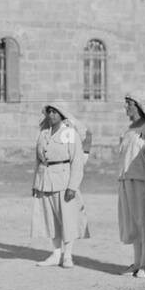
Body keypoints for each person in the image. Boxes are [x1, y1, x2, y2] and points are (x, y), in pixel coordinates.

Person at [31, 101, 90, 268]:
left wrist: (72, 186)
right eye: (49, 112)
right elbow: (37, 159)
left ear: (62, 114)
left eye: (55, 112)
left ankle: (68, 255)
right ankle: (56, 253)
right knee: (50, 219)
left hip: (63, 179)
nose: (51, 115)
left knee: (67, 218)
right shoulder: (43, 133)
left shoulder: (69, 133)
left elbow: (77, 160)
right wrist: (36, 183)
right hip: (45, 179)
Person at [116, 93, 145, 278]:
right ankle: (136, 263)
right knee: (133, 223)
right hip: (126, 179)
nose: (126, 107)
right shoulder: (129, 130)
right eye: (125, 103)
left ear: (139, 106)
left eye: (129, 104)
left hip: (143, 180)